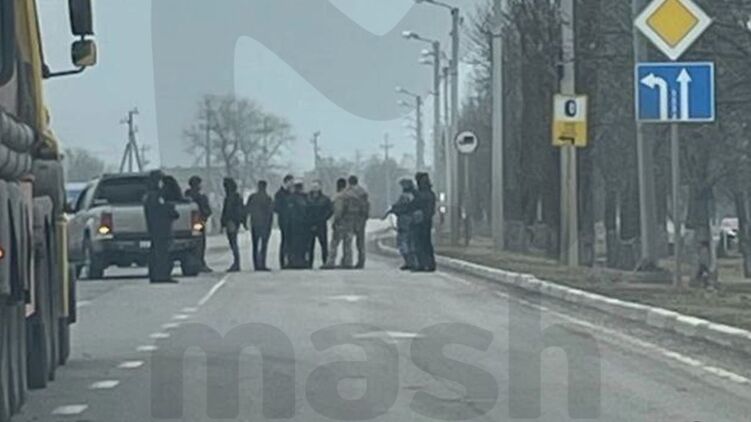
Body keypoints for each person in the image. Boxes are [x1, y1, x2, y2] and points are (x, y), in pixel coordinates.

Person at [143, 170, 179, 283]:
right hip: (160, 229)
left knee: (157, 252)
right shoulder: (155, 196)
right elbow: (162, 210)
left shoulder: (150, 195)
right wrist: (171, 211)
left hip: (156, 229)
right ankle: (162, 275)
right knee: (162, 253)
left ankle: (156, 275)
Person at [385, 178, 417, 270]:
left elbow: (400, 207)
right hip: (412, 221)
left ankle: (409, 262)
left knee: (403, 242)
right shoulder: (414, 196)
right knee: (410, 241)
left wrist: (393, 209)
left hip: (404, 221)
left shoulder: (405, 197)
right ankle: (412, 262)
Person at [185, 176, 213, 273]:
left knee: (196, 244)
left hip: (190, 223)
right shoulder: (200, 197)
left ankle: (197, 263)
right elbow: (207, 211)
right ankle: (200, 263)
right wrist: (204, 216)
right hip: (198, 221)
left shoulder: (186, 197)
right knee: (199, 244)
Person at [323, 178, 353, 269]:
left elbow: (338, 211)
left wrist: (335, 221)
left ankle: (330, 262)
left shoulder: (338, 197)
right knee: (347, 244)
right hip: (350, 222)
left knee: (334, 243)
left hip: (341, 223)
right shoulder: (350, 196)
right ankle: (348, 262)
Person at [410, 172, 437, 272]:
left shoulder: (422, 194)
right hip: (424, 220)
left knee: (421, 242)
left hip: (422, 220)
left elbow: (416, 204)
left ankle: (424, 264)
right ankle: (427, 264)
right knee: (424, 243)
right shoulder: (429, 193)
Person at [245, 180, 274, 271]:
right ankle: (263, 264)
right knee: (264, 245)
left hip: (255, 224)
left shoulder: (252, 197)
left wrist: (245, 222)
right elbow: (270, 213)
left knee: (255, 245)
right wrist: (270, 225)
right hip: (265, 225)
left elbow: (247, 210)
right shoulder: (268, 198)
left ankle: (256, 265)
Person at [345, 175, 370, 269]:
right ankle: (361, 261)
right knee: (360, 241)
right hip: (361, 218)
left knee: (348, 240)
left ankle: (348, 261)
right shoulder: (363, 192)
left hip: (350, 217)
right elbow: (366, 205)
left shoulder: (347, 192)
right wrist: (365, 216)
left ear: (349, 182)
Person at [306, 181, 333, 268]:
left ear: (320, 187)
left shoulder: (325, 199)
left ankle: (325, 262)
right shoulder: (307, 198)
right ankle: (309, 264)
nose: (315, 188)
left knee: (324, 245)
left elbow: (330, 210)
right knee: (310, 246)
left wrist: (323, 218)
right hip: (309, 225)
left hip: (321, 225)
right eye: (313, 186)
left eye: (316, 186)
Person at [221, 177, 244, 272]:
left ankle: (236, 263)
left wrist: (225, 221)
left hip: (231, 221)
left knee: (233, 242)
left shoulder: (232, 197)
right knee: (233, 242)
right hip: (232, 221)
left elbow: (228, 211)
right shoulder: (235, 197)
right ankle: (236, 263)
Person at [287, 180, 310, 269]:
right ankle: (298, 261)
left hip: (297, 224)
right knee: (298, 244)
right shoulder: (302, 198)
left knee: (297, 244)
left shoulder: (292, 198)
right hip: (299, 224)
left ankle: (297, 261)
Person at [274, 174, 295, 269]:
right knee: (284, 241)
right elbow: (276, 207)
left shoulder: (292, 194)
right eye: (291, 182)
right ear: (286, 182)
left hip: (292, 220)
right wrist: (285, 209)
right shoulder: (279, 194)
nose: (292, 184)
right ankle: (283, 261)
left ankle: (290, 260)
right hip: (284, 220)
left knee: (291, 241)